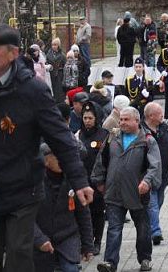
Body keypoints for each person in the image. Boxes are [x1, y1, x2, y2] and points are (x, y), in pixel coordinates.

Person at [0, 23, 92, 272]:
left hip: (22, 190)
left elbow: (61, 138)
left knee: (18, 254)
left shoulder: (33, 90)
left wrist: (79, 180)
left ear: (12, 53)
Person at [91, 107, 162, 272]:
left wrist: (147, 182)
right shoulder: (112, 137)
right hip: (114, 192)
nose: (122, 123)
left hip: (138, 194)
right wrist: (99, 180)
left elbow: (155, 165)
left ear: (136, 121)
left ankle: (145, 259)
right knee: (114, 228)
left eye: (126, 120)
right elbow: (101, 160)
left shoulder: (147, 140)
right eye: (121, 119)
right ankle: (110, 262)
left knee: (143, 228)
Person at [33, 143, 94, 272]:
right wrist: (39, 239)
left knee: (71, 269)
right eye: (56, 156)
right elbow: (26, 218)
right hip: (41, 238)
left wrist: (87, 245)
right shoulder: (34, 182)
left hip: (67, 236)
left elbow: (83, 214)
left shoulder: (74, 180)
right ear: (45, 160)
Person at [141, 102, 168, 246]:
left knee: (158, 202)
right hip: (147, 174)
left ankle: (148, 225)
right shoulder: (140, 130)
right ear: (151, 116)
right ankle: (156, 232)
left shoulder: (166, 129)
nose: (163, 116)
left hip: (163, 174)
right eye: (160, 114)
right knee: (152, 204)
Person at [75, 103, 108, 255]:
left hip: (98, 182)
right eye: (85, 118)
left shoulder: (104, 135)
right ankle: (84, 241)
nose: (87, 120)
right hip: (82, 180)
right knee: (83, 211)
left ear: (96, 119)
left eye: (90, 118)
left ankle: (97, 241)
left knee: (97, 212)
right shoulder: (77, 135)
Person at [46, 38, 66, 103]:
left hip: (59, 75)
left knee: (59, 93)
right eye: (52, 45)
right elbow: (46, 63)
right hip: (51, 75)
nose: (53, 46)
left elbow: (65, 65)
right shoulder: (48, 54)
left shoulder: (62, 55)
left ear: (58, 45)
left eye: (55, 45)